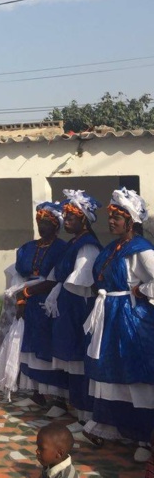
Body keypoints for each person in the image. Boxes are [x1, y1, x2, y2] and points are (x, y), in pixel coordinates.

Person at [83, 188, 154, 461]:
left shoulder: (142, 250)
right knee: (109, 371)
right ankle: (107, 425)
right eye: (110, 216)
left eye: (117, 217)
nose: (111, 221)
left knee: (134, 374)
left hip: (131, 319)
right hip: (109, 314)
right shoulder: (113, 247)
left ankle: (144, 438)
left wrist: (142, 290)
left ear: (131, 221)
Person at [21, 190, 102, 422]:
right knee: (70, 361)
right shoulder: (74, 244)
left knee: (78, 362)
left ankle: (86, 417)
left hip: (78, 308)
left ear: (83, 219)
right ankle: (78, 412)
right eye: (65, 217)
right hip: (68, 307)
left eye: (71, 218)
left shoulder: (87, 246)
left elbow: (81, 282)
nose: (66, 221)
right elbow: (57, 276)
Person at [13, 202, 67, 405]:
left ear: (56, 225)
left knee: (48, 347)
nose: (41, 226)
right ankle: (36, 394)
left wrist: (30, 291)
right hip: (29, 301)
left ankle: (59, 400)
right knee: (29, 346)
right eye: (39, 221)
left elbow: (57, 277)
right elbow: (18, 274)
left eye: (46, 222)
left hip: (50, 302)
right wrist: (21, 296)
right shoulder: (28, 247)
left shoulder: (62, 248)